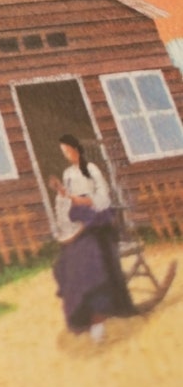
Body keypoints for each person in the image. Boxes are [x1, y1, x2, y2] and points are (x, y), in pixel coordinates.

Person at [49, 134, 135, 344]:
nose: (67, 155)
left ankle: (98, 319)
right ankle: (83, 314)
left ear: (76, 148)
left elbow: (104, 198)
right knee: (65, 263)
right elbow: (67, 200)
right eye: (63, 152)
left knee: (89, 259)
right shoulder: (68, 173)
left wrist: (84, 201)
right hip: (79, 221)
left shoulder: (92, 169)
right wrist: (62, 193)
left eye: (68, 150)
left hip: (98, 221)